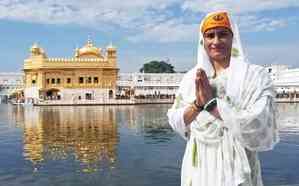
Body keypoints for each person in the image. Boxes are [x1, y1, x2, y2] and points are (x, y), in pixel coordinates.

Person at [167, 11, 279, 186]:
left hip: (236, 168)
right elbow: (176, 120)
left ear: (233, 38)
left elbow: (260, 122)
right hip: (200, 167)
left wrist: (213, 105)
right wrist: (197, 104)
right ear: (202, 41)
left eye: (223, 34)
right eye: (210, 35)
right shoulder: (191, 78)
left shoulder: (254, 76)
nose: (216, 41)